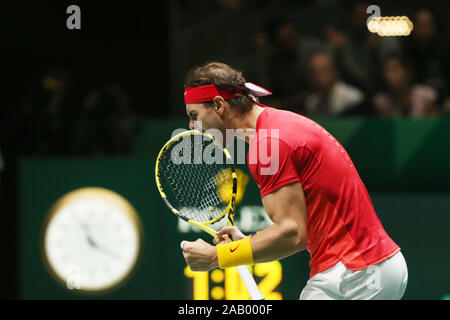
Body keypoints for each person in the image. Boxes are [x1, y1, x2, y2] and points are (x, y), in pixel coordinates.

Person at [180, 62, 408, 300]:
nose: (191, 126)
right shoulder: (278, 124)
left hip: (357, 273)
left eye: (194, 116)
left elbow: (292, 234)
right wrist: (247, 244)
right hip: (366, 269)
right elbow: (298, 234)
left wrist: (217, 257)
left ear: (218, 104)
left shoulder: (268, 144)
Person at [373, 55, 438, 117]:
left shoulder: (425, 95)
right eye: (386, 71)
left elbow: (435, 126)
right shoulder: (382, 102)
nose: (389, 76)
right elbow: (384, 128)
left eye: (394, 70)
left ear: (407, 71)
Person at [303, 51, 365, 116]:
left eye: (323, 70)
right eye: (313, 71)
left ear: (334, 71)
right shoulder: (312, 103)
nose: (318, 76)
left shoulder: (353, 97)